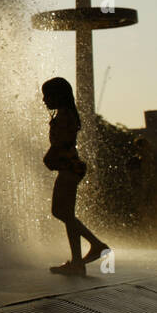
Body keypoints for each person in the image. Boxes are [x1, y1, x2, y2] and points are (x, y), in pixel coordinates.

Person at [41, 77, 109, 275]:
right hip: (71, 168)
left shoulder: (64, 116)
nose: (44, 100)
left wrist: (49, 156)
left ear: (58, 95)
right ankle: (79, 261)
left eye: (47, 95)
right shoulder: (67, 114)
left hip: (70, 168)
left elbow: (62, 143)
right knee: (64, 213)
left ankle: (94, 247)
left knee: (63, 213)